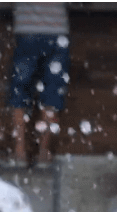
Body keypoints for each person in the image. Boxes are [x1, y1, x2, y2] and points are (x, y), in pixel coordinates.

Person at [6, 3, 70, 168]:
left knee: (19, 90)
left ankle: (19, 152)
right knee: (52, 92)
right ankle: (43, 153)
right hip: (56, 27)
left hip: (26, 28)